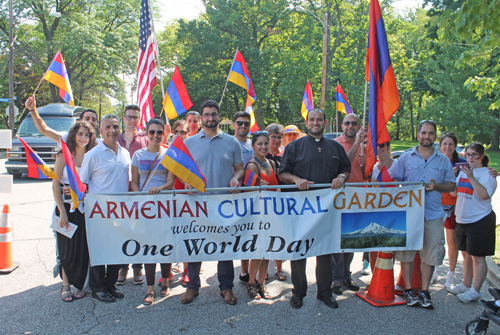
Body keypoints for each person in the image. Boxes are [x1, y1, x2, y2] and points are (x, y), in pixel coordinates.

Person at [278, 108, 351, 309]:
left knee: (325, 251)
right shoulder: (295, 147)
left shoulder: (335, 148)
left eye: (319, 120)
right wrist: (297, 179)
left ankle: (325, 292)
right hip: (301, 208)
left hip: (327, 210)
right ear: (307, 122)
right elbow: (283, 173)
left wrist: (342, 177)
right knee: (299, 251)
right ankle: (298, 292)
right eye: (312, 119)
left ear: (325, 122)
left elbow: (346, 168)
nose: (315, 123)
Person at [180, 100, 244, 305]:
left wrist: (237, 178)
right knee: (195, 245)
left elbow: (240, 168)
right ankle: (192, 286)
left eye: (214, 114)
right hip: (196, 204)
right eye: (206, 114)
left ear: (219, 116)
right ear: (201, 117)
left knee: (225, 246)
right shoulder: (189, 142)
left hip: (223, 204)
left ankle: (226, 287)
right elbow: (182, 172)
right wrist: (186, 182)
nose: (210, 118)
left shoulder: (232, 142)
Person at [392, 120, 456, 309]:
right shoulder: (404, 158)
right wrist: (403, 188)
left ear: (435, 136)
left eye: (430, 133)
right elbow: (395, 180)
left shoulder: (443, 160)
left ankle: (425, 291)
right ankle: (409, 289)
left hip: (433, 214)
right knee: (406, 252)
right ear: (418, 135)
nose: (427, 136)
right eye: (424, 133)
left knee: (431, 253)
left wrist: (437, 186)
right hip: (410, 214)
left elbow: (451, 185)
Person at [79, 114, 131, 303]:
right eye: (108, 127)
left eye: (116, 126)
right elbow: (82, 183)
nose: (112, 130)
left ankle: (110, 284)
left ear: (120, 129)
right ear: (101, 131)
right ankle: (98, 288)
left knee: (117, 251)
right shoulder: (92, 155)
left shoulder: (125, 153)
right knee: (100, 252)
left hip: (121, 213)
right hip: (99, 214)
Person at [130, 118, 176, 305]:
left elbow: (171, 181)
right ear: (146, 133)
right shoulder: (138, 155)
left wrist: (161, 189)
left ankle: (165, 281)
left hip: (164, 206)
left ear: (164, 134)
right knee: (148, 247)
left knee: (165, 244)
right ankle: (150, 288)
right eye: (152, 132)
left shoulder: (169, 154)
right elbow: (133, 181)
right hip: (145, 208)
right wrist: (140, 196)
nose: (156, 135)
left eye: (159, 132)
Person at [52, 121, 97, 302]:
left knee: (81, 249)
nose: (83, 138)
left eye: (86, 135)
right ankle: (65, 286)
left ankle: (79, 284)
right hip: (66, 209)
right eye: (80, 134)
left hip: (84, 209)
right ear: (73, 135)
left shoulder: (91, 156)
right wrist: (62, 211)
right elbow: (55, 184)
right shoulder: (64, 155)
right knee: (66, 249)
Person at [447, 142, 497, 303]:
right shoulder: (463, 172)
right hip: (462, 219)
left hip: (480, 219)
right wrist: (454, 176)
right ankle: (466, 284)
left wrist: (470, 176)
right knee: (466, 254)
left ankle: (476, 290)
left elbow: (484, 195)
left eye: (474, 154)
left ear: (482, 156)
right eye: (468, 154)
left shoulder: (488, 174)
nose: (470, 158)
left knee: (478, 257)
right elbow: (454, 192)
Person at [332, 114, 366, 295]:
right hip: (340, 198)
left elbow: (368, 174)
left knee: (352, 239)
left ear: (359, 125)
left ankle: (346, 275)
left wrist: (366, 165)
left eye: (354, 123)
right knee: (338, 240)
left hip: (358, 198)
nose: (350, 126)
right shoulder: (335, 144)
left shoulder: (365, 146)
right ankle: (336, 278)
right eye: (347, 123)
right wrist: (357, 143)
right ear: (342, 125)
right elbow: (342, 164)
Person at [116, 104, 148, 285]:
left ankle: (138, 266)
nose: (132, 120)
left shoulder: (144, 140)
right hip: (119, 192)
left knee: (138, 230)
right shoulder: (115, 139)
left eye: (136, 117)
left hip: (139, 193)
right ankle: (122, 267)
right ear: (124, 119)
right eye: (129, 117)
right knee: (121, 229)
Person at [245, 131, 278, 300]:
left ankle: (262, 283)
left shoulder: (271, 162)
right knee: (258, 250)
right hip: (257, 215)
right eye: (260, 144)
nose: (264, 146)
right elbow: (247, 192)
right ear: (253, 146)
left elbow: (277, 186)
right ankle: (251, 283)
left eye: (266, 143)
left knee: (268, 251)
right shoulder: (252, 166)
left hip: (272, 212)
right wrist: (257, 187)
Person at [439, 133, 468, 288]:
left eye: (450, 144)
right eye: (445, 144)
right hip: (436, 205)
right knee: (436, 240)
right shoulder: (434, 161)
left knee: (452, 242)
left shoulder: (462, 163)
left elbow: (476, 173)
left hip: (454, 206)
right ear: (440, 145)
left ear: (455, 146)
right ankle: (434, 268)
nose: (447, 147)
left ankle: (451, 273)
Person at [232, 111, 254, 284]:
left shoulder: (253, 146)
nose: (243, 126)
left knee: (247, 233)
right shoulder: (228, 142)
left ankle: (245, 271)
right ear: (234, 124)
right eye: (239, 123)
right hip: (230, 194)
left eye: (246, 123)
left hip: (249, 195)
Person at [169, 119, 191, 286]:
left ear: (188, 133)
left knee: (187, 236)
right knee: (170, 236)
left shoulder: (192, 151)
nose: (180, 135)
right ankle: (167, 271)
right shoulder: (168, 151)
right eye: (176, 132)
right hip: (170, 199)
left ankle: (186, 270)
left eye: (183, 132)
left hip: (188, 199)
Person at [25, 95, 99, 143]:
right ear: (79, 122)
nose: (90, 121)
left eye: (94, 119)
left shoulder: (100, 144)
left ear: (96, 124)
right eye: (87, 118)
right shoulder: (68, 139)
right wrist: (33, 110)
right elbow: (44, 129)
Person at [265, 123, 287, 281]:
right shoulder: (261, 155)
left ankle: (279, 269)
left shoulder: (286, 155)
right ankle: (263, 269)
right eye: (273, 137)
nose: (277, 140)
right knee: (264, 236)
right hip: (265, 202)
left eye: (279, 137)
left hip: (283, 201)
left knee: (280, 235)